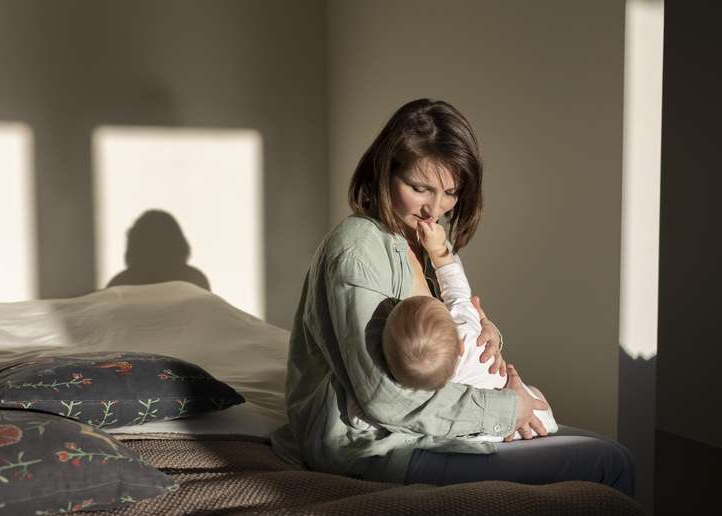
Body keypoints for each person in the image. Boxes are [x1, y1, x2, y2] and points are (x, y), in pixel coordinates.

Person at [270, 98, 634, 495]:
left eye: (450, 192)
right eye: (419, 188)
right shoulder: (357, 250)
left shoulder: (418, 239)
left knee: (604, 451)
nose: (435, 209)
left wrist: (487, 335)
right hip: (377, 445)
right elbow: (382, 396)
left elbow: (439, 332)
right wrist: (510, 410)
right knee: (609, 462)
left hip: (429, 427)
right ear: (383, 172)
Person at [346, 218, 558, 442]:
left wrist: (355, 400)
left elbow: (361, 417)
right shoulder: (466, 335)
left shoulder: (422, 388)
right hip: (527, 417)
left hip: (474, 435)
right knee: (536, 399)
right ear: (459, 346)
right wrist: (437, 248)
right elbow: (455, 287)